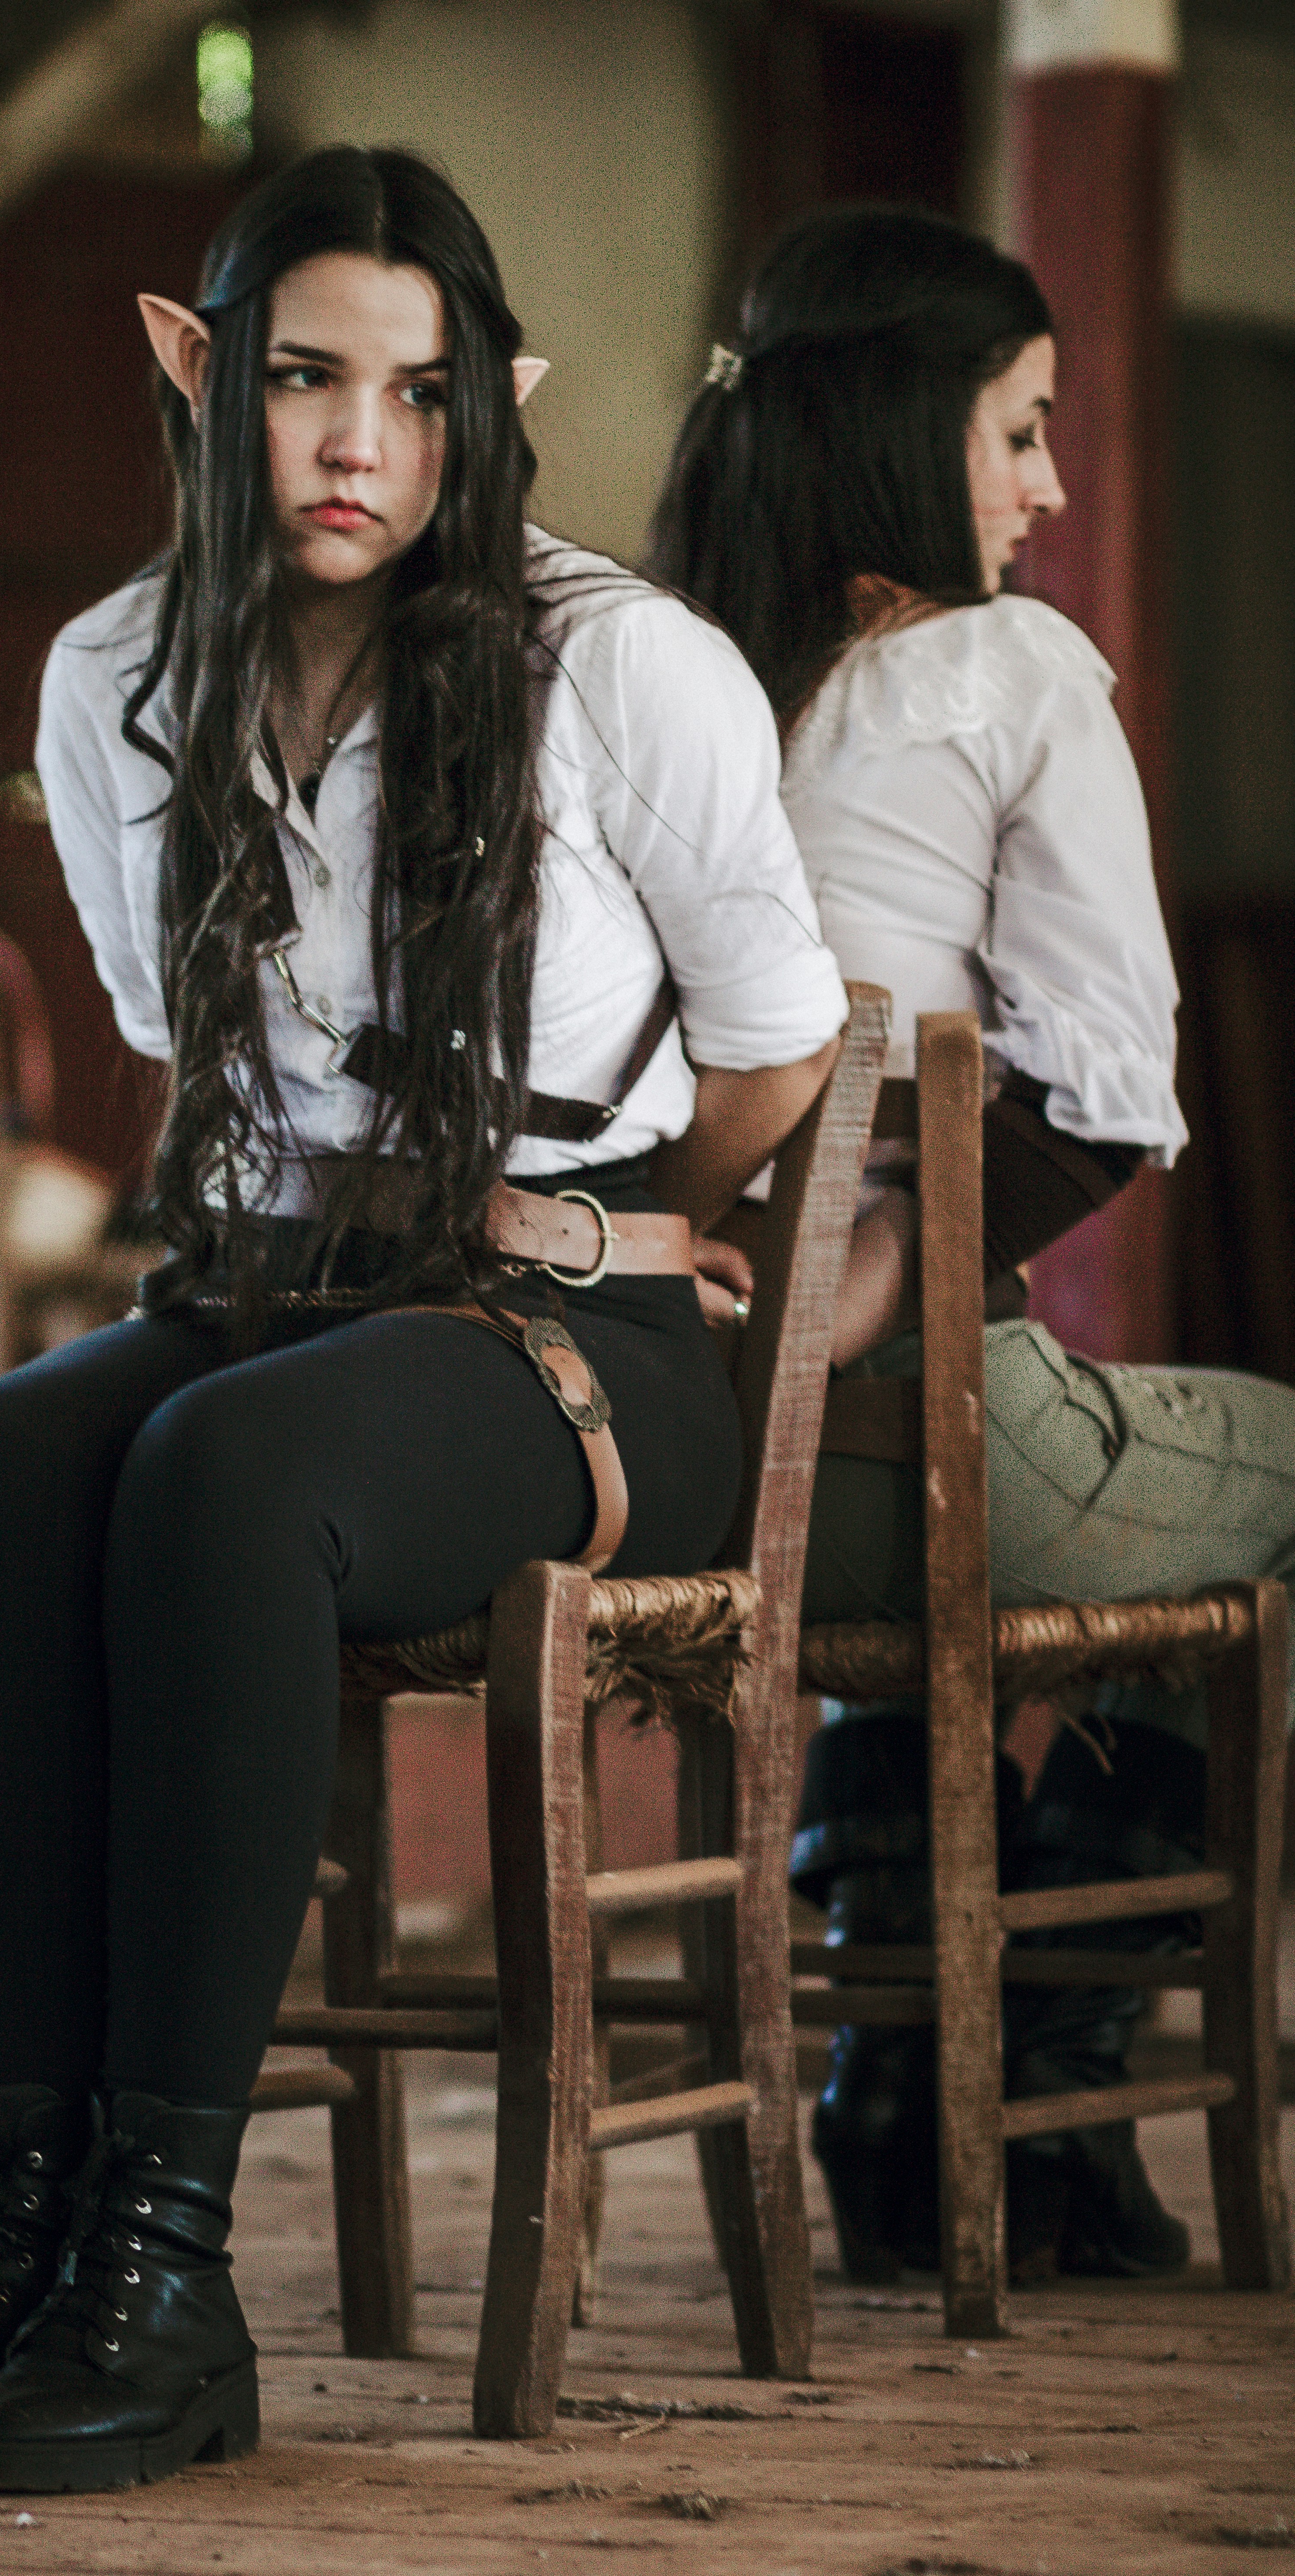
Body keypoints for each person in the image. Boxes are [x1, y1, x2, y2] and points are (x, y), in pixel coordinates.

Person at [0, 147, 848, 2497]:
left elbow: (782, 1050)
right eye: (298, 378)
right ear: (200, 375)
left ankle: (167, 2287)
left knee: (230, 1470)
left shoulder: (628, 664)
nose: (356, 441)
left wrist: (605, 1234)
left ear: (494, 403)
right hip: (296, 1288)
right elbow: (186, 1045)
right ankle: (30, 2236)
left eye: (414, 388)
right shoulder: (112, 679)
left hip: (598, 1348)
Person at [648, 202, 1295, 2288]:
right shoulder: (1005, 666)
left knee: (950, 1535)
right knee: (1260, 1502)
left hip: (673, 1459)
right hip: (918, 1444)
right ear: (909, 430)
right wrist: (903, 1262)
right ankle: (1053, 2090)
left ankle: (891, 2108)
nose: (1049, 484)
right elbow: (1109, 1086)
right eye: (1019, 429)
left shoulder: (663, 682)